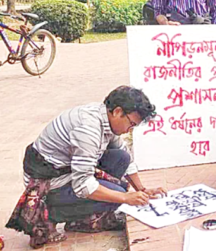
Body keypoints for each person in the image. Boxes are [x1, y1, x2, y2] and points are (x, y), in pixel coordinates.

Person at [5, 86, 166, 249]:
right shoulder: (88, 128)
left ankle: (82, 217)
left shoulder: (105, 118)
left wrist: (142, 189)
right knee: (117, 196)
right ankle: (50, 214)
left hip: (67, 169)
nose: (129, 130)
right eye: (131, 124)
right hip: (47, 183)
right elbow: (83, 185)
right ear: (117, 112)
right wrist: (125, 198)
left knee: (121, 158)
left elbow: (125, 156)